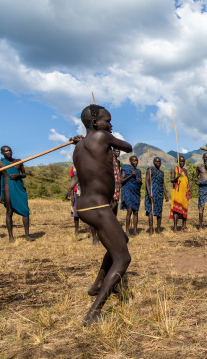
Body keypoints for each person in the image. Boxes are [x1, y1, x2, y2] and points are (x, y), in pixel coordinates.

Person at [71, 104, 133, 325]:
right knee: (123, 258)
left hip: (85, 206)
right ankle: (94, 312)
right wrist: (107, 134)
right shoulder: (103, 136)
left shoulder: (78, 148)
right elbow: (127, 147)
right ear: (96, 123)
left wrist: (82, 139)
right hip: (97, 207)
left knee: (121, 240)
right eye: (108, 121)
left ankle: (99, 283)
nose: (111, 124)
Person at [0, 146, 31, 242]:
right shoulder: (0, 164)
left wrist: (18, 175)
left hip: (19, 189)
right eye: (6, 151)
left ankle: (27, 235)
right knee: (9, 211)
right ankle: (11, 236)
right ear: (2, 153)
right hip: (8, 190)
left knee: (25, 210)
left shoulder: (18, 161)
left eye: (10, 150)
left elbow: (24, 174)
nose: (9, 152)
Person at [65, 166, 98, 243]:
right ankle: (76, 230)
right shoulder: (73, 169)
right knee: (75, 212)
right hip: (76, 192)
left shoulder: (87, 166)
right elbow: (72, 181)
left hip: (87, 191)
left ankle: (92, 231)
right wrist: (72, 195)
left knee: (90, 212)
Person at [145, 157, 168, 234]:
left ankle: (158, 229)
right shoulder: (150, 170)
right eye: (156, 162)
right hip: (152, 192)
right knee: (151, 211)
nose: (158, 163)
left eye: (159, 162)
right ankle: (151, 230)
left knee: (159, 212)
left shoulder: (162, 172)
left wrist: (166, 194)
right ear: (154, 162)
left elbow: (163, 184)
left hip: (159, 193)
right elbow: (147, 182)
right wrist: (149, 193)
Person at [120, 156, 142, 236]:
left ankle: (135, 231)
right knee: (129, 211)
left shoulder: (138, 171)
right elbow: (121, 181)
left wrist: (139, 181)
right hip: (128, 192)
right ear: (130, 161)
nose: (136, 162)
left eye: (137, 160)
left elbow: (140, 183)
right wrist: (130, 176)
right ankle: (127, 231)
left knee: (136, 212)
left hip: (136, 193)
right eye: (134, 160)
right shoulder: (125, 169)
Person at [170, 156, 190, 233]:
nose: (182, 163)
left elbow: (187, 181)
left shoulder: (185, 170)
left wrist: (189, 191)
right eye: (180, 161)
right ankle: (175, 227)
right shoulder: (174, 169)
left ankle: (184, 226)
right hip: (177, 192)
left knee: (185, 208)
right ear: (178, 162)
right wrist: (176, 177)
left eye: (183, 161)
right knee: (176, 210)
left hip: (185, 193)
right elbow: (171, 180)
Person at [110, 148, 121, 216]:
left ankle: (114, 220)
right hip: (111, 184)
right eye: (117, 151)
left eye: (119, 151)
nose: (118, 153)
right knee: (112, 203)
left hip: (117, 185)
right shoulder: (110, 161)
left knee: (116, 203)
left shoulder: (118, 162)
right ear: (113, 152)